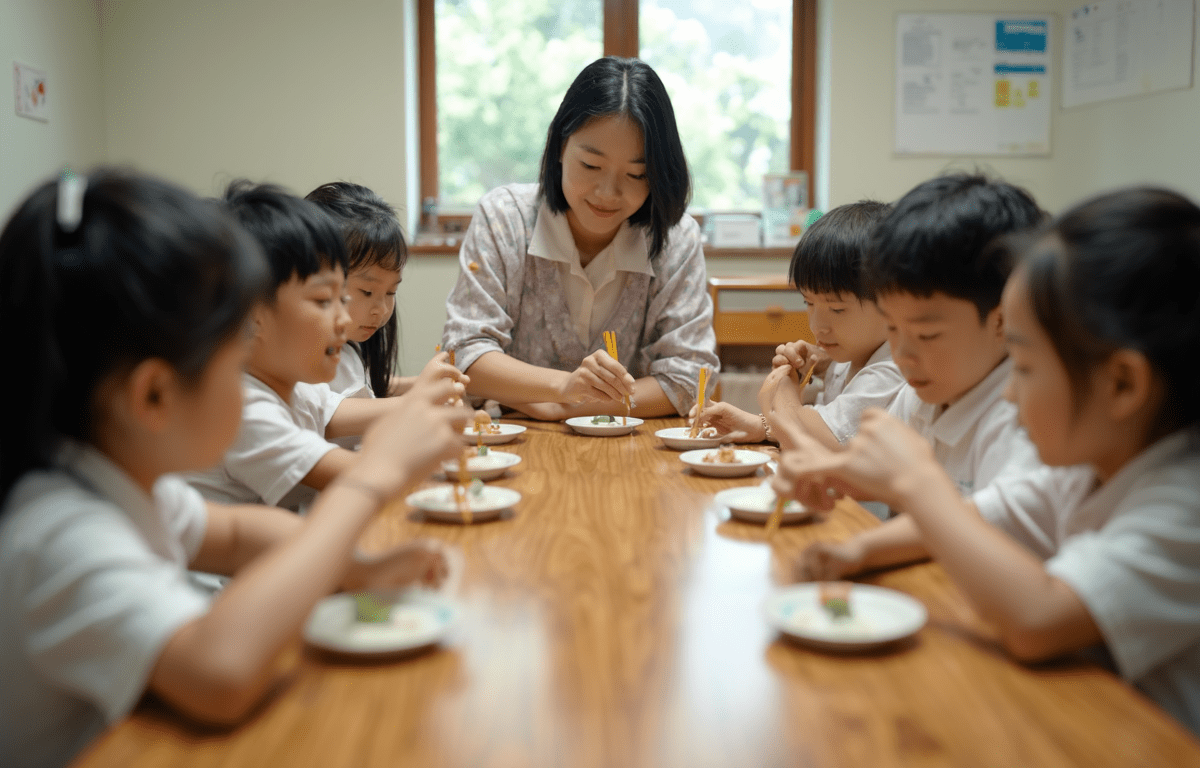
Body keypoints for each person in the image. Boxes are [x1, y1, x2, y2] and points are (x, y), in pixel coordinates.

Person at [0, 169, 471, 768]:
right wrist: (370, 479)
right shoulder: (58, 535)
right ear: (153, 397)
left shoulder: (120, 483)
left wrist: (360, 570)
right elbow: (220, 675)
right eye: (232, 363)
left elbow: (238, 534)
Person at [775, 187, 1200, 736]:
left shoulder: (1182, 503)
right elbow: (985, 515)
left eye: (1023, 368)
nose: (1007, 394)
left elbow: (1038, 620)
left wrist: (916, 483)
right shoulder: (1088, 471)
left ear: (1121, 384)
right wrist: (857, 551)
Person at [440, 56, 719, 420]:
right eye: (591, 165)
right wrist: (561, 389)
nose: (608, 192)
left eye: (636, 175)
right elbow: (464, 353)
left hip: (628, 451)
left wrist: (559, 406)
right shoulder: (503, 219)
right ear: (560, 147)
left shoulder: (675, 239)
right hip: (510, 444)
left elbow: (689, 377)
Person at [186, 181, 465, 511]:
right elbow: (363, 477)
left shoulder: (289, 385)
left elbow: (333, 413)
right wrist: (416, 411)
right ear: (252, 311)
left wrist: (423, 397)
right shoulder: (243, 408)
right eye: (323, 300)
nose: (344, 320)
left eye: (341, 298)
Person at [690, 202, 903, 450]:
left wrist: (783, 395)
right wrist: (760, 426)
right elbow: (819, 425)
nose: (817, 326)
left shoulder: (892, 369)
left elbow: (822, 443)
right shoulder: (850, 358)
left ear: (893, 304)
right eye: (809, 302)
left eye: (837, 309)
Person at [307, 181, 451, 400]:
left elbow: (365, 387)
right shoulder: (308, 353)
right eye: (367, 292)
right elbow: (328, 414)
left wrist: (423, 383)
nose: (382, 310)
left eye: (391, 292)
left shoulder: (349, 344)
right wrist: (417, 398)